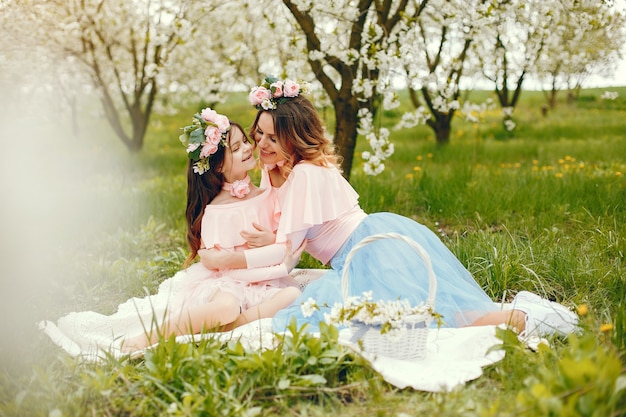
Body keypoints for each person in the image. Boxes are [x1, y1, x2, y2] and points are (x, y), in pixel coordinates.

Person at [200, 76, 579, 339]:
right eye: (259, 133)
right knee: (429, 317)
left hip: (370, 251)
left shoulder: (305, 175)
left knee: (436, 322)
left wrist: (229, 261)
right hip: (360, 251)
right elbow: (288, 235)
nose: (262, 144)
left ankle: (529, 319)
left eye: (273, 137)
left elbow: (287, 259)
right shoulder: (273, 171)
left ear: (295, 139)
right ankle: (523, 316)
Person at [40, 108, 303, 356]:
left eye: (245, 141)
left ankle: (231, 327)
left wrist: (272, 244)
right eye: (236, 147)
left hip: (264, 281)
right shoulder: (217, 211)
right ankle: (152, 336)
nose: (248, 147)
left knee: (293, 294)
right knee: (226, 306)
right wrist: (259, 266)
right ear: (219, 166)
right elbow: (221, 267)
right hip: (229, 283)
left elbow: (286, 247)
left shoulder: (269, 196)